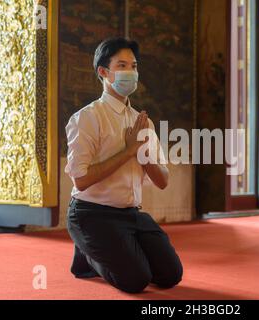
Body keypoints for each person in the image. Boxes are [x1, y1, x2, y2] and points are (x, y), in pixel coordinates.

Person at [64, 37, 183, 294]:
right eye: (122, 65)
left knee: (170, 275)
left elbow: (163, 181)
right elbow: (80, 180)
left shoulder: (143, 123)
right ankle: (88, 254)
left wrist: (141, 153)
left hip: (130, 214)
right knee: (136, 281)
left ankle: (106, 250)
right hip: (91, 214)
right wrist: (127, 150)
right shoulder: (87, 118)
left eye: (134, 65)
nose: (131, 72)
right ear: (104, 72)